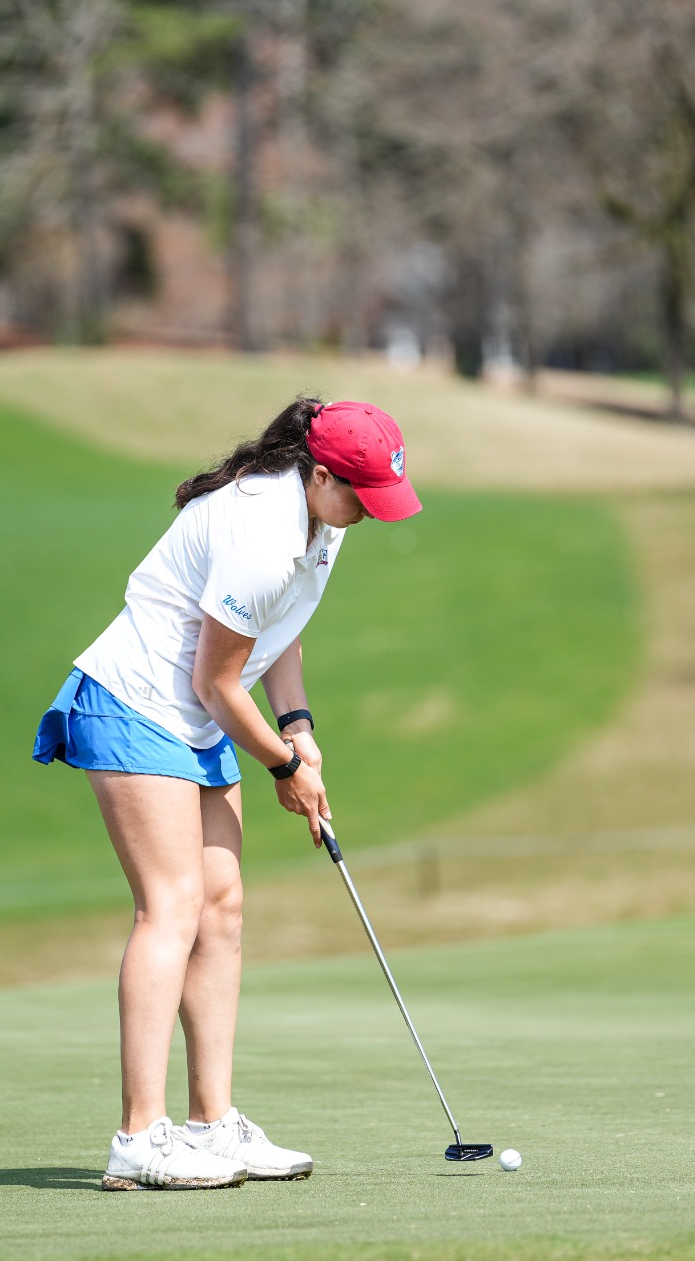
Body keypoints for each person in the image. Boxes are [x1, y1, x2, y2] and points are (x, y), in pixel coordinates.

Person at [33, 397, 421, 1191]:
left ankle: (211, 1124)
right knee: (171, 905)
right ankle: (140, 1136)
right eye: (362, 495)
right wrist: (284, 765)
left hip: (199, 716)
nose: (370, 513)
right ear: (321, 475)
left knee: (222, 906)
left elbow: (281, 627)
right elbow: (216, 680)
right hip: (138, 702)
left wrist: (299, 726)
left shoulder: (323, 521)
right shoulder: (260, 535)